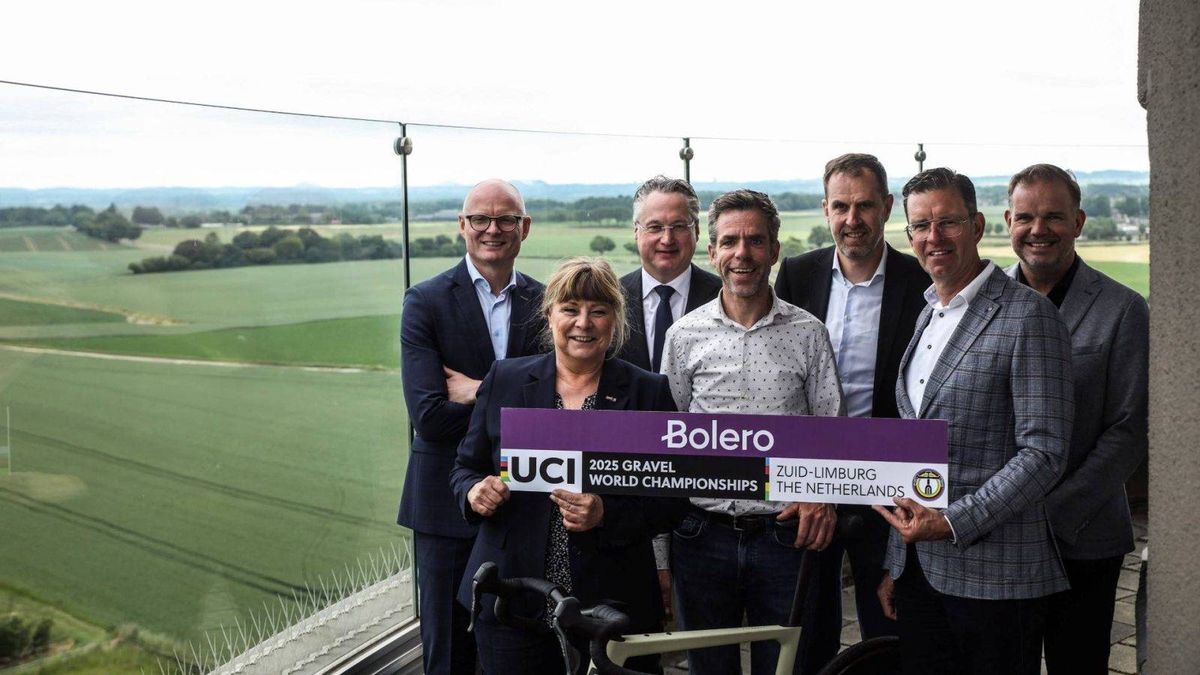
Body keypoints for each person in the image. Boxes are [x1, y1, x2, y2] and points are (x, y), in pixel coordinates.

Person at [874, 167, 1074, 675]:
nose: (933, 237)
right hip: (920, 572)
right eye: (921, 226)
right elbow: (914, 448)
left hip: (996, 577)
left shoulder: (1029, 316)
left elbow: (1044, 452)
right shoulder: (928, 313)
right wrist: (897, 563)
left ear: (978, 226)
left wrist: (952, 522)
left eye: (948, 222)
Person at [449, 257, 687, 675]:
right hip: (513, 601)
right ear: (549, 314)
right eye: (570, 309)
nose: (584, 323)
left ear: (615, 319)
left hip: (612, 606)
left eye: (598, 311)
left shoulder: (647, 392)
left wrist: (605, 512)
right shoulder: (504, 380)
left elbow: (672, 500)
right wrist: (473, 491)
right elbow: (464, 468)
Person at [662, 189, 844, 675]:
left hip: (785, 538)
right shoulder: (683, 336)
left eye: (755, 241)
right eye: (729, 241)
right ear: (712, 252)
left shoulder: (809, 333)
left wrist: (821, 495)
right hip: (701, 536)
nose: (742, 253)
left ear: (774, 250)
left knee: (786, 668)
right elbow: (667, 442)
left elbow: (831, 431)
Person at [774, 153, 929, 669]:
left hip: (887, 480)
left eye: (864, 205)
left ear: (887, 207)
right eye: (840, 206)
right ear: (825, 209)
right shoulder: (797, 274)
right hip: (810, 478)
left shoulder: (919, 281)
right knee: (807, 630)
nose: (852, 218)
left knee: (887, 631)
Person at [395, 179, 545, 675]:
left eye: (506, 219)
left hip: (526, 506)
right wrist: (516, 407)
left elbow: (556, 412)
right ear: (462, 225)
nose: (492, 229)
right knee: (448, 655)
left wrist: (478, 390)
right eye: (480, 218)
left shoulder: (547, 302)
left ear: (524, 227)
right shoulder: (425, 301)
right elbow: (430, 417)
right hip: (444, 508)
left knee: (518, 652)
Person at [1004, 164, 1148, 674]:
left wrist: (1050, 515)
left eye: (1053, 216)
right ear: (1008, 222)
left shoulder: (1124, 309)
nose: (1038, 229)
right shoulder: (985, 301)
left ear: (1079, 222)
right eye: (1026, 217)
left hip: (1084, 538)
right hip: (1000, 540)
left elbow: (1128, 430)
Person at [615, 174, 722, 631]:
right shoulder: (606, 302)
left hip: (709, 492)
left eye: (679, 226)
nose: (667, 238)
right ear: (636, 232)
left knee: (709, 632)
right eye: (655, 226)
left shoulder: (729, 296)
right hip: (625, 489)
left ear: (697, 233)